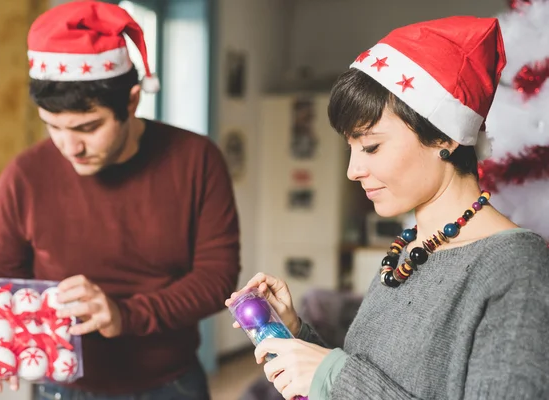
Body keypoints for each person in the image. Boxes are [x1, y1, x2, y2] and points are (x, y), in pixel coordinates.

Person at [227, 16, 549, 400]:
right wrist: (295, 333)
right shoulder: (411, 248)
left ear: (445, 136)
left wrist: (333, 376)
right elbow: (376, 375)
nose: (352, 170)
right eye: (351, 148)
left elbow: (350, 383)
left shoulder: (515, 267)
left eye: (372, 146)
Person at [0, 1, 241, 399]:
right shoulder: (23, 175)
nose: (69, 147)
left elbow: (217, 277)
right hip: (61, 386)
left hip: (171, 383)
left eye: (88, 127)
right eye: (53, 127)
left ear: (131, 102)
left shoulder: (196, 160)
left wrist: (125, 315)